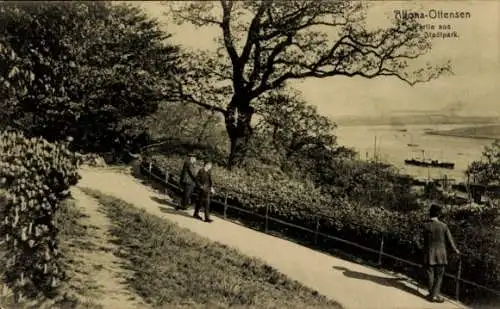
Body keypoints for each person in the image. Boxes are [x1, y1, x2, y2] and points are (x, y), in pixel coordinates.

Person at [416, 204, 460, 303]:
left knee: (430, 274)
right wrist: (455, 250)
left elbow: (415, 239)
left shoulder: (424, 225)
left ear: (429, 213)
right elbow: (450, 241)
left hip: (428, 253)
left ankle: (432, 295)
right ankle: (434, 296)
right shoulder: (444, 226)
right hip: (441, 254)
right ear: (439, 214)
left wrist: (421, 249)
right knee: (439, 275)